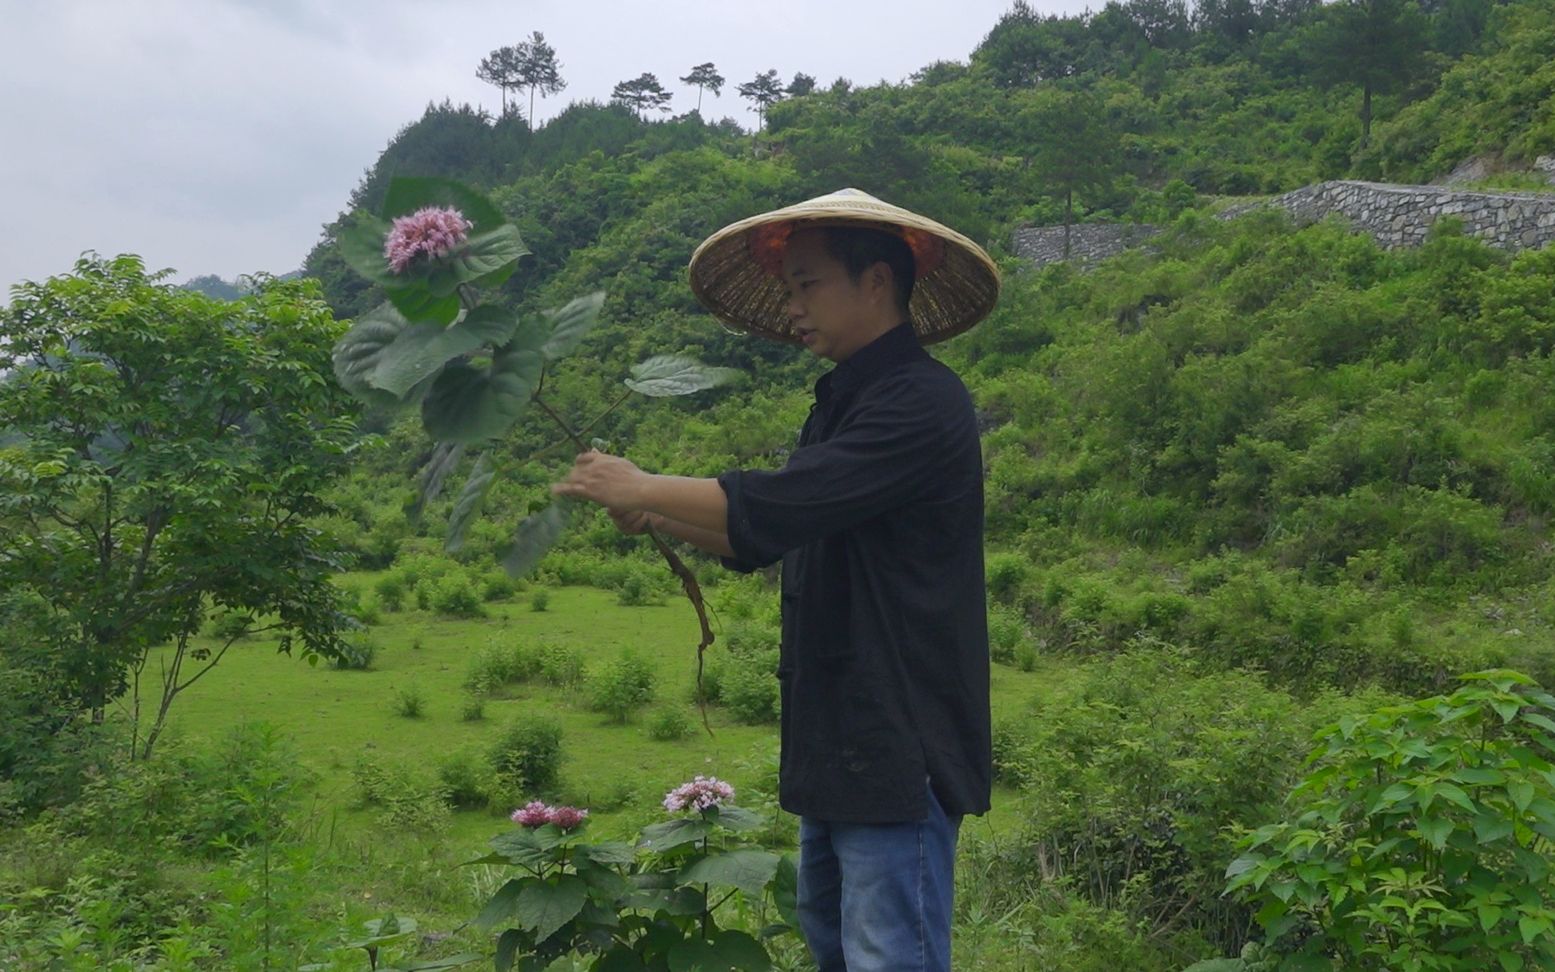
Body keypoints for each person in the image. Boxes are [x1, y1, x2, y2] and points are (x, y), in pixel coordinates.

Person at [553, 188, 1000, 972]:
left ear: (874, 283)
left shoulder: (923, 403)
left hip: (900, 739)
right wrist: (653, 512)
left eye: (807, 284)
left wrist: (646, 484)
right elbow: (768, 532)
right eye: (787, 287)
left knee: (886, 955)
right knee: (834, 947)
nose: (791, 305)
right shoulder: (841, 403)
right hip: (838, 737)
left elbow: (781, 501)